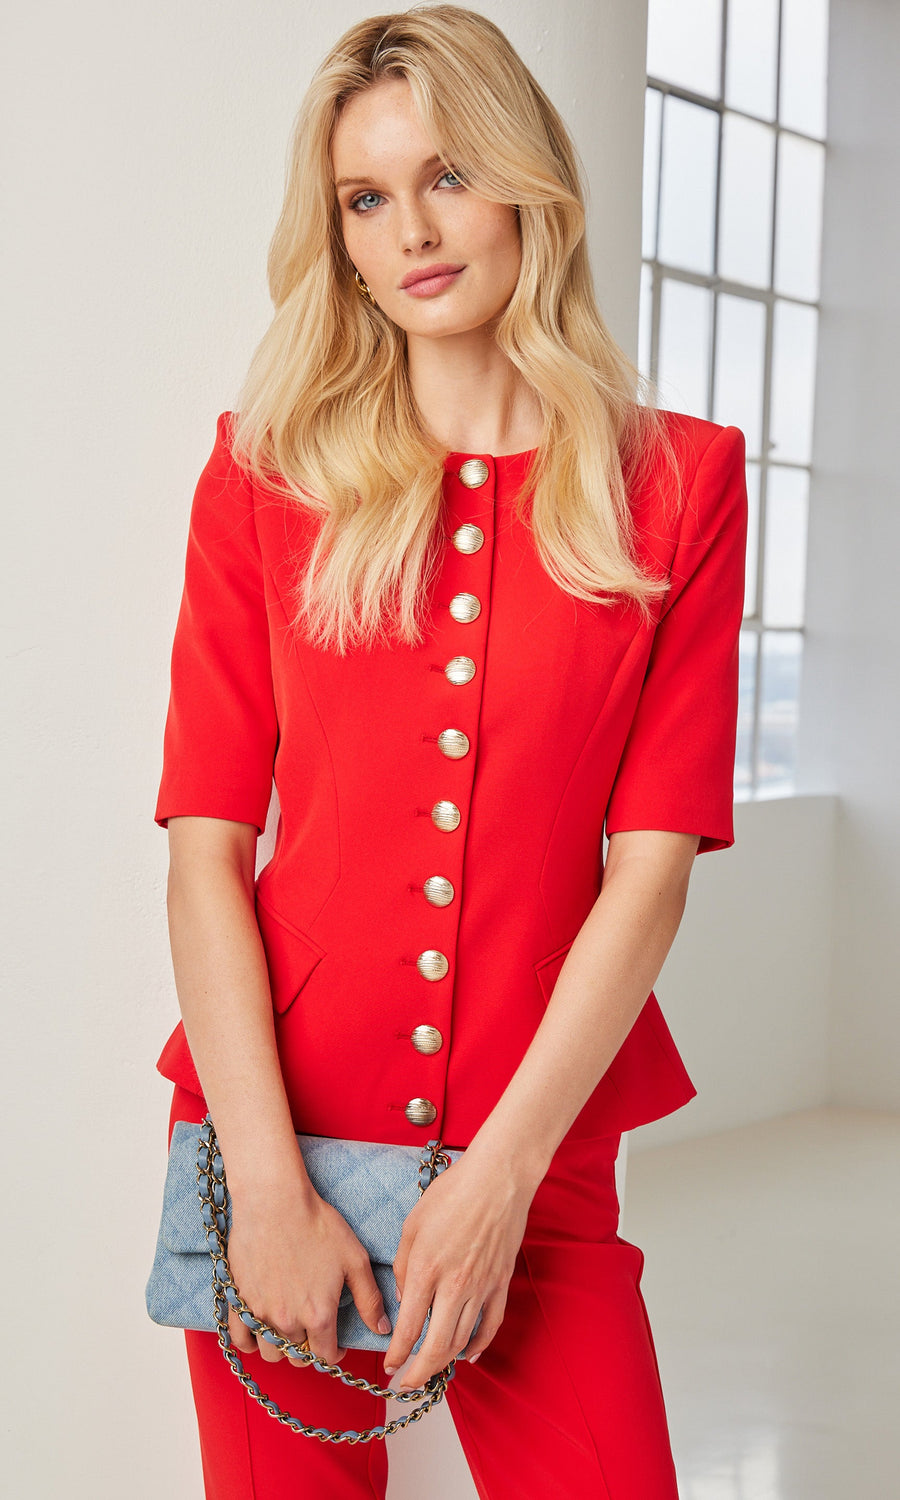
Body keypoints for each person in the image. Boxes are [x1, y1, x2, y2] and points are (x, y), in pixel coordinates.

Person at [152, 5, 748, 1496]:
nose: (412, 229)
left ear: (527, 187)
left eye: (448, 177)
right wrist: (270, 1189)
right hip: (282, 1142)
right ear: (338, 235)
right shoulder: (262, 482)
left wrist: (502, 1182)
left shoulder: (677, 488)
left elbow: (650, 872)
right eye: (367, 197)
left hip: (535, 1162)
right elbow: (206, 856)